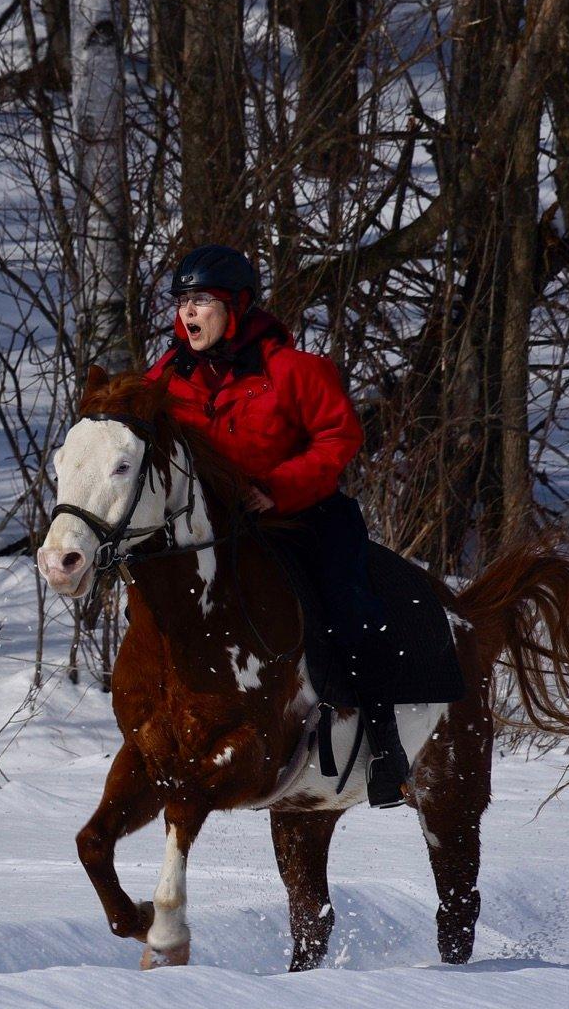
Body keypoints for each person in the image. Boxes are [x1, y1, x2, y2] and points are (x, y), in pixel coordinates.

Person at [146, 244, 410, 808]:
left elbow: (340, 438)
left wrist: (276, 489)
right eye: (183, 301)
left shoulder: (295, 371)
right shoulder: (166, 376)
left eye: (203, 301)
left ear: (237, 307)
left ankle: (385, 745)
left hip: (299, 514)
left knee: (348, 601)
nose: (189, 313)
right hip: (212, 529)